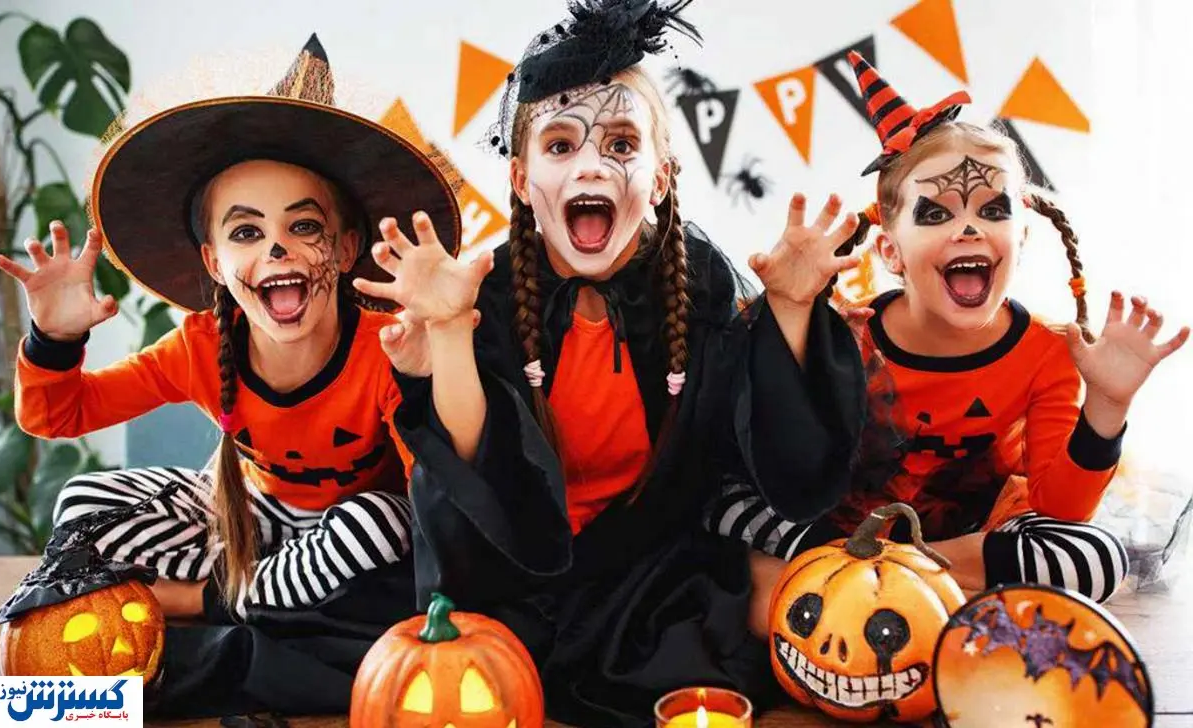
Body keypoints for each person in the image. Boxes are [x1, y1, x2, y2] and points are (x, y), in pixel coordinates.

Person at [349, 2, 868, 724]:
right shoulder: (486, 290)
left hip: (648, 566)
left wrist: (790, 308)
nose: (591, 164)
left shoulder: (698, 282)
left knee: (793, 620)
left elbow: (774, 448)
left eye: (621, 144)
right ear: (522, 179)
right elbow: (472, 471)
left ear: (660, 178)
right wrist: (448, 331)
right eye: (560, 145)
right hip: (512, 571)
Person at [0, 35, 461, 621]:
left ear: (346, 249)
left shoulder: (389, 348)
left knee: (382, 522)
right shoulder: (198, 347)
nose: (276, 249)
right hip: (247, 520)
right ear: (214, 262)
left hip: (349, 536)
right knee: (84, 498)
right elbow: (56, 417)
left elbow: (437, 500)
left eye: (304, 226)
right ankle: (269, 594)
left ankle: (197, 602)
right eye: (246, 233)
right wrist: (55, 340)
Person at [712, 51, 1189, 604]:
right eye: (936, 214)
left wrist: (1107, 405)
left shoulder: (1048, 352)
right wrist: (791, 310)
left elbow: (1062, 508)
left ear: (1022, 237)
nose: (968, 228)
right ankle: (885, 576)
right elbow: (783, 454)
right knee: (721, 498)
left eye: (993, 210)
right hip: (833, 525)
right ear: (890, 251)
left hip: (960, 539)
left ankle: (883, 575)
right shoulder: (849, 334)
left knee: (1094, 556)